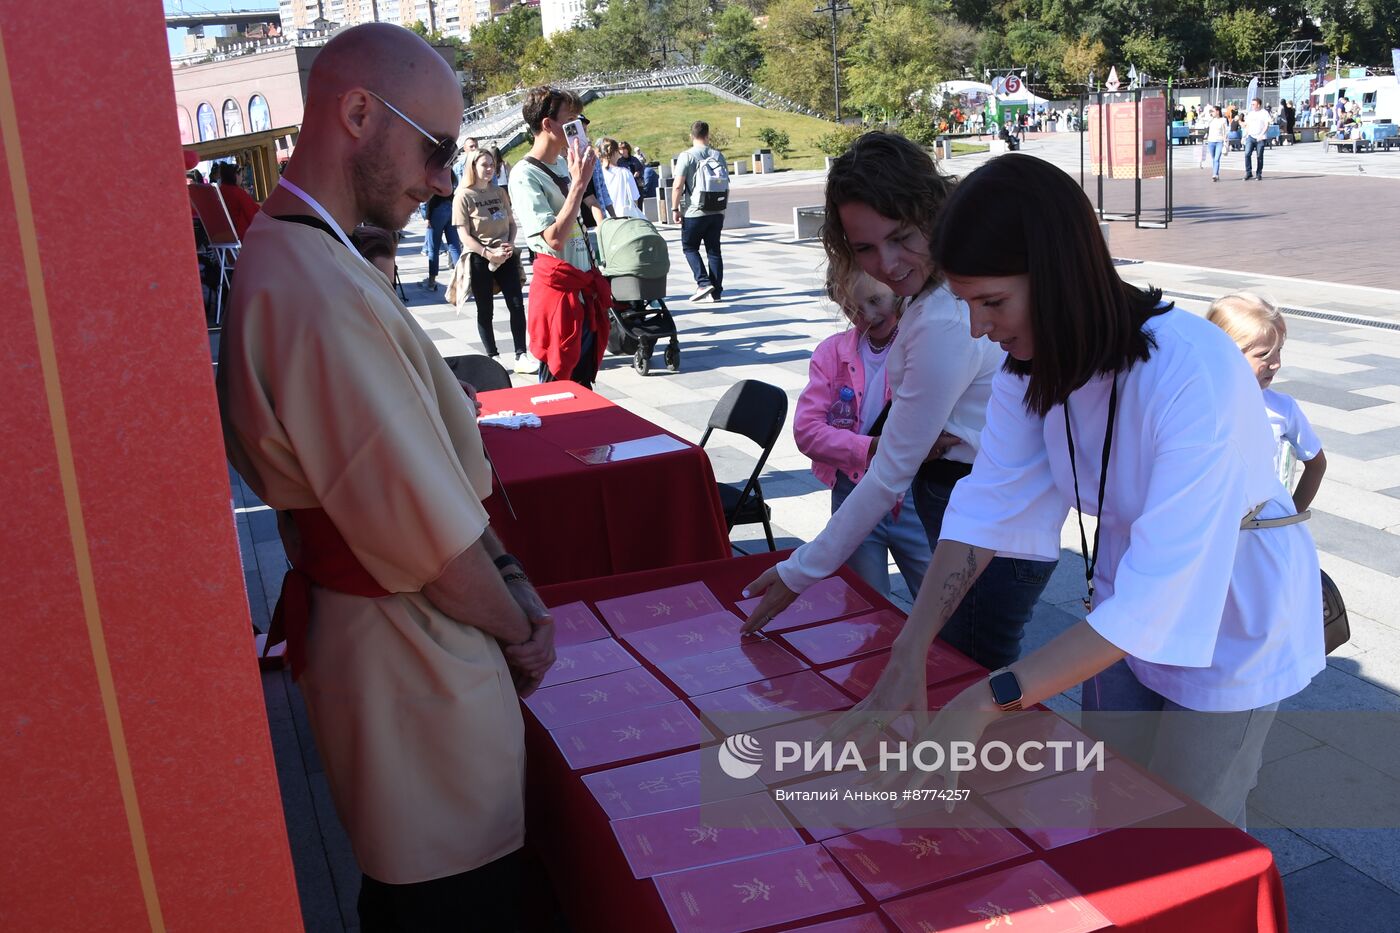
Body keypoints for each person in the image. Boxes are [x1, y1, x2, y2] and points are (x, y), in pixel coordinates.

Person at [824, 153, 1323, 828]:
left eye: (992, 302)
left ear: (1057, 275)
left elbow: (1161, 594)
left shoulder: (1192, 367)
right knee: (1114, 794)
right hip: (1122, 598)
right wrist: (912, 643)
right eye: (969, 304)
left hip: (1230, 608)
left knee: (1190, 820)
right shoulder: (1028, 369)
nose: (979, 327)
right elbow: (987, 503)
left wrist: (986, 698)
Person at [216, 24, 554, 929]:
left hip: (396, 650)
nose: (445, 177)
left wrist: (510, 579)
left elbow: (428, 486)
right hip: (411, 661)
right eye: (435, 148)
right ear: (358, 113)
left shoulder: (305, 254)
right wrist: (518, 623)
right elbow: (431, 542)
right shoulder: (310, 280)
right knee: (449, 898)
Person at [742, 133, 1056, 672]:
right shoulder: (931, 299)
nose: (886, 263)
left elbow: (891, 470)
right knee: (962, 668)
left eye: (902, 237)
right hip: (976, 509)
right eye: (864, 248)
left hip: (989, 519)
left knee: (969, 674)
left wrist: (801, 570)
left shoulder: (943, 313)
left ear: (935, 212)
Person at [793, 266, 934, 600]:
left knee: (940, 604)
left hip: (915, 493)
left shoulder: (925, 347)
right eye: (853, 309)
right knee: (866, 604)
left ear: (898, 291)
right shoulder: (832, 353)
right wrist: (871, 447)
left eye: (875, 300)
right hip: (852, 490)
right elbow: (807, 431)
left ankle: (938, 653)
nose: (867, 315)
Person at [508, 85, 610, 389]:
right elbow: (553, 239)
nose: (580, 127)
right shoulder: (524, 175)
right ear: (548, 124)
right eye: (572, 120)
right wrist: (578, 186)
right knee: (558, 385)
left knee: (582, 382)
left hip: (581, 286)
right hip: (559, 292)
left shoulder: (564, 165)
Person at [1208, 293, 1327, 512]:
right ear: (1226, 352)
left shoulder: (1283, 408)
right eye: (1264, 354)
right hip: (1210, 526)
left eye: (1279, 350)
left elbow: (1316, 463)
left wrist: (1290, 514)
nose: (1276, 364)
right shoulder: (1199, 402)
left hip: (1259, 531)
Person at [454, 148, 530, 371]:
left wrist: (510, 243)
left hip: (505, 255)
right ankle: (493, 356)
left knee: (516, 304)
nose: (490, 169)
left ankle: (521, 355)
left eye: (492, 165)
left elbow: (512, 223)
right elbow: (464, 235)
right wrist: (488, 253)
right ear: (473, 167)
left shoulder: (499, 192)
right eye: (484, 165)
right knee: (485, 308)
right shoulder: (463, 195)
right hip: (480, 257)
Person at [671, 120, 728, 302]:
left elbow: (678, 185)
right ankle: (716, 292)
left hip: (694, 211)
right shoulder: (718, 156)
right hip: (716, 210)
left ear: (691, 136)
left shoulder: (686, 156)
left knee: (689, 247)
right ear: (707, 135)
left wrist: (675, 208)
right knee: (714, 250)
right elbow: (726, 183)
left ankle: (703, 282)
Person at [420, 168, 461, 291]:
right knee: (454, 245)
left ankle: (432, 281)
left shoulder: (435, 173)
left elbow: (430, 198)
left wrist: (427, 217)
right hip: (451, 208)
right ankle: (461, 280)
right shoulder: (451, 174)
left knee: (433, 248)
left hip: (437, 210)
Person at [597, 137, 645, 219]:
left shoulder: (597, 174)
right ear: (615, 152)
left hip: (605, 219)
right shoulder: (625, 173)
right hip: (625, 217)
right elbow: (634, 199)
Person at [215, 162, 260, 239]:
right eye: (241, 176)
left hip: (224, 232)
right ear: (236, 175)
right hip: (241, 232)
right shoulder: (238, 192)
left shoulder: (220, 191)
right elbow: (253, 214)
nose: (242, 178)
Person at [1243, 97, 1271, 180]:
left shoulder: (1264, 113)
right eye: (1252, 104)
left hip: (1260, 137)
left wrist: (1262, 135)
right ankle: (1248, 172)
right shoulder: (1250, 113)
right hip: (1250, 136)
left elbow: (1266, 125)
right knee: (1247, 154)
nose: (1252, 106)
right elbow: (1247, 125)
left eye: (1253, 104)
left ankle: (1259, 173)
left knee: (1259, 156)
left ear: (1258, 105)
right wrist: (1245, 135)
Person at [1205, 104, 1228, 182]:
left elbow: (1225, 132)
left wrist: (1225, 142)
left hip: (1219, 141)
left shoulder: (1223, 120)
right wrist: (1209, 111)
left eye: (1213, 111)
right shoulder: (1211, 119)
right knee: (1213, 158)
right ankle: (1216, 173)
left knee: (1217, 158)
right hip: (1211, 141)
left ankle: (1215, 174)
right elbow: (1202, 118)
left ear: (1218, 112)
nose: (1212, 113)